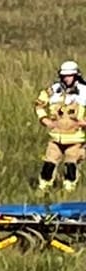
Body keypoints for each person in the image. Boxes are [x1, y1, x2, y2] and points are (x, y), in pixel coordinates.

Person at [36, 60, 86, 192]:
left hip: (75, 138)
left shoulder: (84, 91)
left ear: (76, 75)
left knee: (71, 164)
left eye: (69, 76)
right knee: (49, 163)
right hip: (55, 137)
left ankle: (69, 188)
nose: (66, 78)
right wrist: (44, 119)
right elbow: (39, 104)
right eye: (64, 76)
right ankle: (44, 187)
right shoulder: (53, 90)